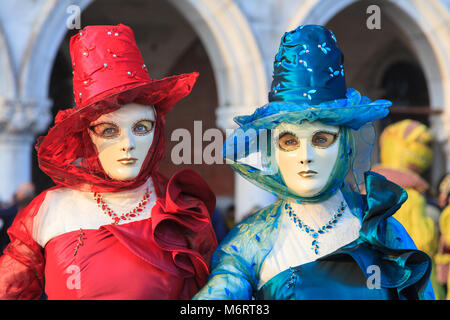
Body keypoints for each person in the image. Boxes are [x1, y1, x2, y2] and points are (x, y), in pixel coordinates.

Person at [194, 25, 434, 300]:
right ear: (273, 150)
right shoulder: (250, 244)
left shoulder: (381, 231)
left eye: (321, 140)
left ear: (343, 144)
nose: (305, 155)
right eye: (289, 142)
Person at [0, 24, 217, 300]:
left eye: (141, 128)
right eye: (109, 130)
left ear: (158, 129)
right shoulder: (49, 210)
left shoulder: (181, 208)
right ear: (88, 136)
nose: (128, 143)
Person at [0, 182, 36, 255]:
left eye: (18, 192)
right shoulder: (35, 206)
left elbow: (5, 213)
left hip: (12, 249)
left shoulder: (18, 207)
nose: (17, 194)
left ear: (22, 194)